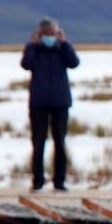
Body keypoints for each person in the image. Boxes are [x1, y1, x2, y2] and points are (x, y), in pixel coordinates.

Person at [20, 17, 80, 191]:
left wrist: (65, 43)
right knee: (38, 142)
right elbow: (25, 64)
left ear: (57, 33)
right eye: (45, 34)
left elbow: (74, 63)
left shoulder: (62, 49)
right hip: (38, 102)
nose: (49, 37)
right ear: (39, 34)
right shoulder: (33, 49)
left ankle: (59, 181)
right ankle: (37, 180)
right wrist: (33, 45)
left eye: (52, 34)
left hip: (60, 102)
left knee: (60, 142)